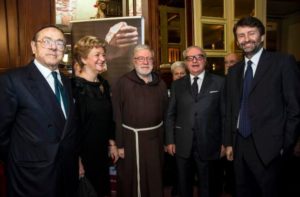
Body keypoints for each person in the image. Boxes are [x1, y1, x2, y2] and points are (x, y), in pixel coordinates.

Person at [224, 16, 300, 197]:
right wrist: (228, 142)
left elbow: (295, 109)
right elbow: (230, 109)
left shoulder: (283, 62)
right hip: (239, 145)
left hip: (270, 148)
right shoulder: (234, 71)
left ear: (262, 36)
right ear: (237, 40)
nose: (246, 39)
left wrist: (284, 146)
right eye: (241, 35)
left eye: (251, 33)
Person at [0, 25, 79, 197]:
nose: (53, 47)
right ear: (33, 47)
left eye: (59, 43)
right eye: (47, 41)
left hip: (66, 172)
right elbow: (2, 133)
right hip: (31, 177)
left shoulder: (67, 82)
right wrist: (19, 162)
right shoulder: (12, 80)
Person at [165, 45, 225, 197]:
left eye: (198, 57)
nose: (195, 61)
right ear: (185, 62)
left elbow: (225, 115)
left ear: (205, 60)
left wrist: (226, 142)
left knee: (208, 186)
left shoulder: (220, 82)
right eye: (190, 58)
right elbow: (170, 114)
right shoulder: (177, 85)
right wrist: (170, 140)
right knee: (184, 186)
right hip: (182, 144)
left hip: (210, 144)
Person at [112, 44, 168, 197]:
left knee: (155, 176)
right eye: (141, 58)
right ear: (133, 61)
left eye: (149, 58)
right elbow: (117, 115)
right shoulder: (122, 83)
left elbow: (166, 114)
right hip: (131, 140)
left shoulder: (161, 84)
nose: (145, 62)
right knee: (132, 179)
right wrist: (119, 145)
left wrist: (165, 141)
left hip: (156, 139)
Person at [72, 35, 118, 197]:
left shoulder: (103, 84)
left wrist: (112, 143)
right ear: (84, 59)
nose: (102, 58)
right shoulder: (75, 88)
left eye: (103, 54)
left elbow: (108, 119)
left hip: (101, 152)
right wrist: (76, 162)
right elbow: (72, 130)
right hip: (84, 155)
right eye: (97, 55)